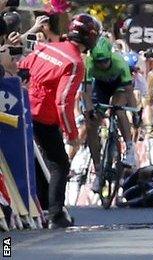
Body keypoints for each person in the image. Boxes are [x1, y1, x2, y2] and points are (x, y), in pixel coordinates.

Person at [18, 13, 100, 229]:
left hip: (24, 109)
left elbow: (22, 68)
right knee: (59, 165)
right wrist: (72, 134)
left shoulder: (47, 47)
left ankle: (42, 208)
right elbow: (63, 102)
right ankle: (55, 214)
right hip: (44, 117)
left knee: (38, 162)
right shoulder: (75, 63)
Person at [82, 37, 137, 193]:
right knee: (91, 126)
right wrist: (90, 110)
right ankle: (98, 171)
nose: (102, 64)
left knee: (119, 109)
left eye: (105, 61)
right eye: (98, 62)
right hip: (100, 88)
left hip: (118, 86)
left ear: (110, 56)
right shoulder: (89, 63)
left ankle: (130, 148)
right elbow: (86, 93)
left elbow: (129, 93)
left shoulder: (120, 62)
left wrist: (135, 112)